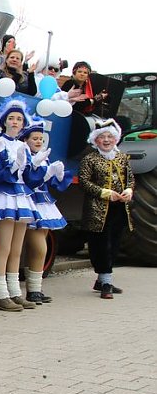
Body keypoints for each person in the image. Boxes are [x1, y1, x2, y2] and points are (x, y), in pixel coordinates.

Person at [0, 99, 39, 312]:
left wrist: (37, 167)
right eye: (12, 118)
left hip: (21, 196)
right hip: (4, 194)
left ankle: (15, 292)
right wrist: (11, 166)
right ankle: (0, 294)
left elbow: (29, 176)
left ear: (24, 124)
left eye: (19, 119)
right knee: (3, 246)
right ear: (4, 121)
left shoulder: (24, 145)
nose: (15, 122)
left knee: (16, 248)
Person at [78, 119, 134, 299]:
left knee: (115, 243)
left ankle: (103, 280)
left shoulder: (122, 157)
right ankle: (106, 281)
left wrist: (128, 190)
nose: (107, 140)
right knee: (100, 245)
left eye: (110, 136)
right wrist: (104, 192)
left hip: (119, 208)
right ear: (96, 140)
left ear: (116, 138)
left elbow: (130, 178)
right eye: (102, 137)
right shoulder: (90, 159)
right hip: (97, 211)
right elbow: (84, 182)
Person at [20, 116, 72, 304]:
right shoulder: (24, 155)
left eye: (41, 139)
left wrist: (56, 174)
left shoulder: (44, 157)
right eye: (35, 138)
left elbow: (55, 185)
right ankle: (32, 289)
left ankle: (35, 289)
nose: (39, 142)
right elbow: (28, 179)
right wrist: (40, 171)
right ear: (25, 139)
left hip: (44, 202)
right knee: (38, 247)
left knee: (39, 247)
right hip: (30, 201)